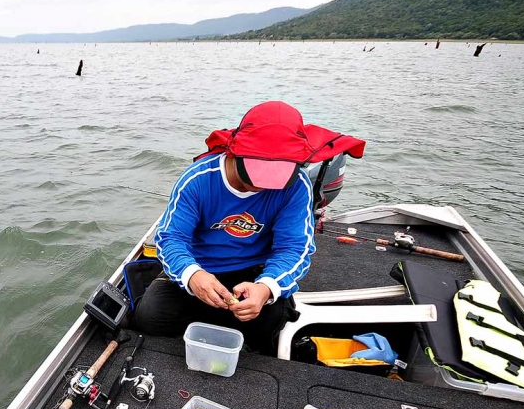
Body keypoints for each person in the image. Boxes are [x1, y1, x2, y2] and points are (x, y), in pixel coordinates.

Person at [133, 101, 366, 355]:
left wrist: (266, 287)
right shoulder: (197, 179)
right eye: (255, 174)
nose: (262, 186)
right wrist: (192, 275)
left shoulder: (296, 185)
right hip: (199, 265)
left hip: (253, 272)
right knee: (150, 316)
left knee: (269, 322)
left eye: (273, 175)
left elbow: (294, 248)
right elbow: (171, 239)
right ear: (234, 151)